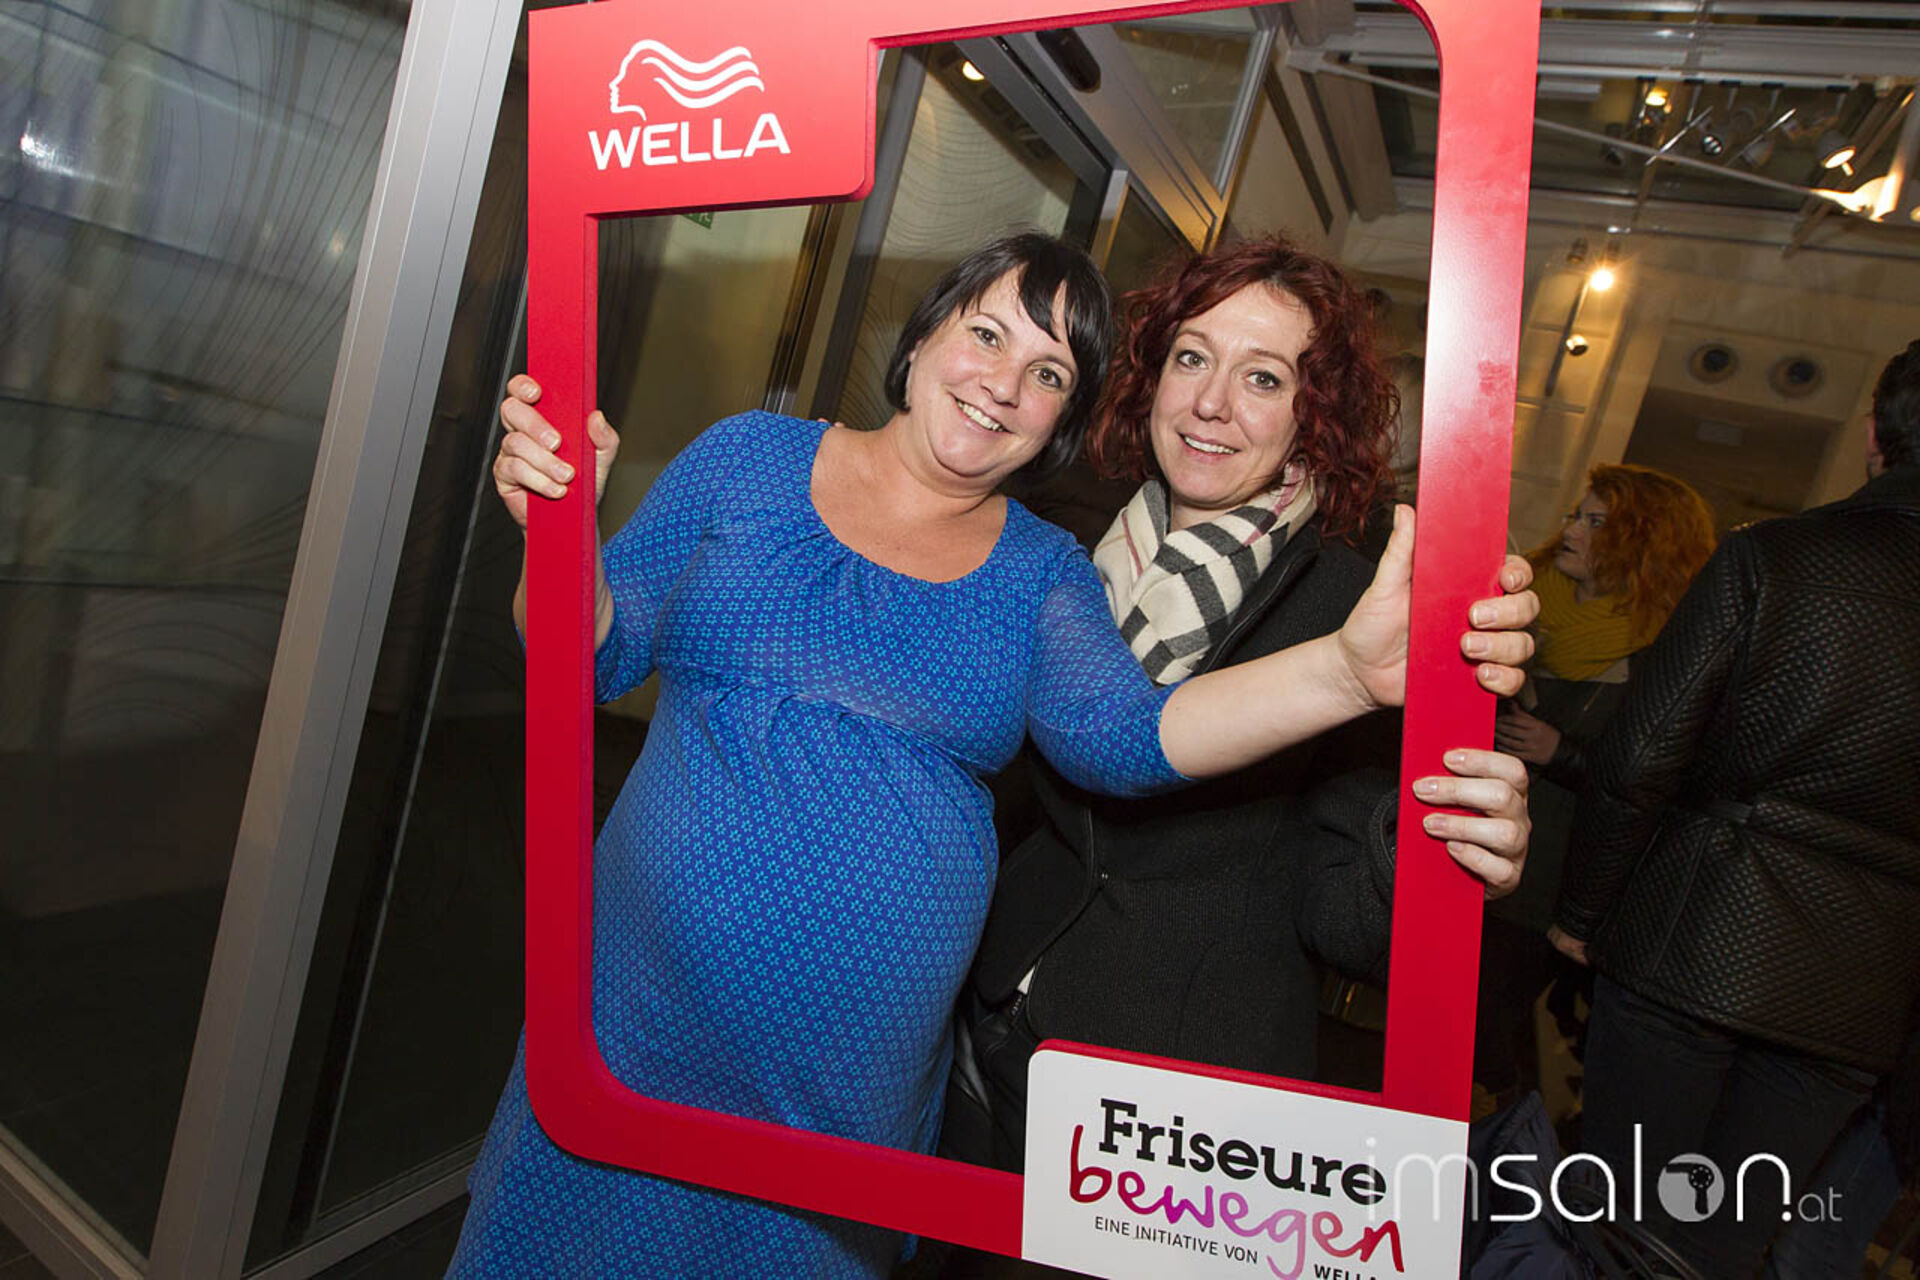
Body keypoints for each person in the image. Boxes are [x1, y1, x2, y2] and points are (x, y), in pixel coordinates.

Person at [449, 233, 1539, 1277]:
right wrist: (558, 533)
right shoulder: (747, 456)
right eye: (985, 334)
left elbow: (1128, 735)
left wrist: (1346, 672)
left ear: (1063, 418)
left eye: (1049, 373)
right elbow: (588, 656)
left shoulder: (1044, 570)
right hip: (636, 1010)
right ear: (924, 334)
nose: (1004, 384)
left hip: (849, 1080)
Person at [946, 235, 1534, 1175]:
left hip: (1171, 1104)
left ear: (1314, 416)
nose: (1211, 403)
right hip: (987, 1025)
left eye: (1263, 378)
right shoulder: (1069, 550)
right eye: (1192, 359)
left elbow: (1347, 923)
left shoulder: (1358, 613)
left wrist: (1447, 857)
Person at [1552, 340, 1920, 1277]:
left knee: (1612, 1225)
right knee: (1719, 1251)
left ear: (1874, 437)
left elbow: (1641, 757)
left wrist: (1582, 914)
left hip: (1692, 938)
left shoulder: (1774, 557)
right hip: (1857, 992)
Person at [1476, 465, 1715, 1099]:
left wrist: (1563, 753)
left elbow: (1662, 781)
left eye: (1597, 521)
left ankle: (1491, 1142)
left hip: (1547, 880)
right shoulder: (1518, 600)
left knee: (1485, 1035)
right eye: (1576, 516)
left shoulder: (1663, 650)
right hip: (1465, 838)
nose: (1574, 530)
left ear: (1644, 540)